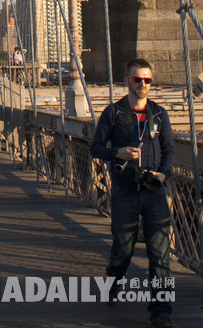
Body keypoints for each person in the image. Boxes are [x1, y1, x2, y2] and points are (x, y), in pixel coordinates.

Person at [90, 58, 176, 328]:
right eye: (137, 79)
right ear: (126, 81)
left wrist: (162, 173)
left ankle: (161, 313)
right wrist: (117, 152)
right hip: (126, 191)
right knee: (123, 249)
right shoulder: (113, 113)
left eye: (147, 80)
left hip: (154, 190)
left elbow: (170, 150)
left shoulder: (159, 114)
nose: (143, 84)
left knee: (160, 256)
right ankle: (114, 283)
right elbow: (96, 148)